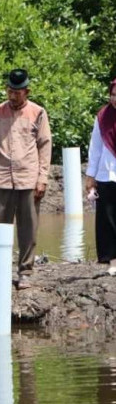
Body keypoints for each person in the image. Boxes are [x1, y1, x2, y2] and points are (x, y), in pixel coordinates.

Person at [0, 69, 52, 290]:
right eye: (10, 91)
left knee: (28, 228)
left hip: (28, 178)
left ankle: (25, 271)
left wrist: (43, 178)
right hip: (1, 177)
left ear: (26, 91)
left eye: (17, 92)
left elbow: (45, 144)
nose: (12, 96)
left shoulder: (38, 113)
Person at [86, 78, 116, 276]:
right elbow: (95, 148)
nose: (115, 99)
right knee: (108, 219)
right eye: (113, 95)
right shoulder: (103, 116)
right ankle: (113, 260)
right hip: (107, 173)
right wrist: (90, 176)